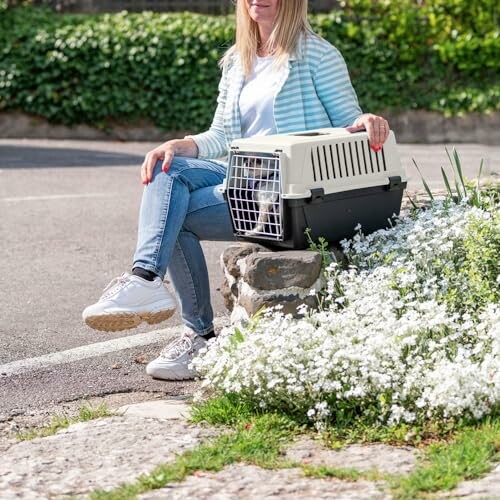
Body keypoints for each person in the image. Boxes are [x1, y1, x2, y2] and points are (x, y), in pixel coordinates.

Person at [82, 0, 391, 381]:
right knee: (169, 167)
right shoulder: (236, 61)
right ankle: (146, 280)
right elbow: (221, 137)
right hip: (241, 178)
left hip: (287, 193)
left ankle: (196, 333)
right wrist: (180, 143)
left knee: (171, 215)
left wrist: (366, 120)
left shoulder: (317, 55)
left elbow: (349, 121)